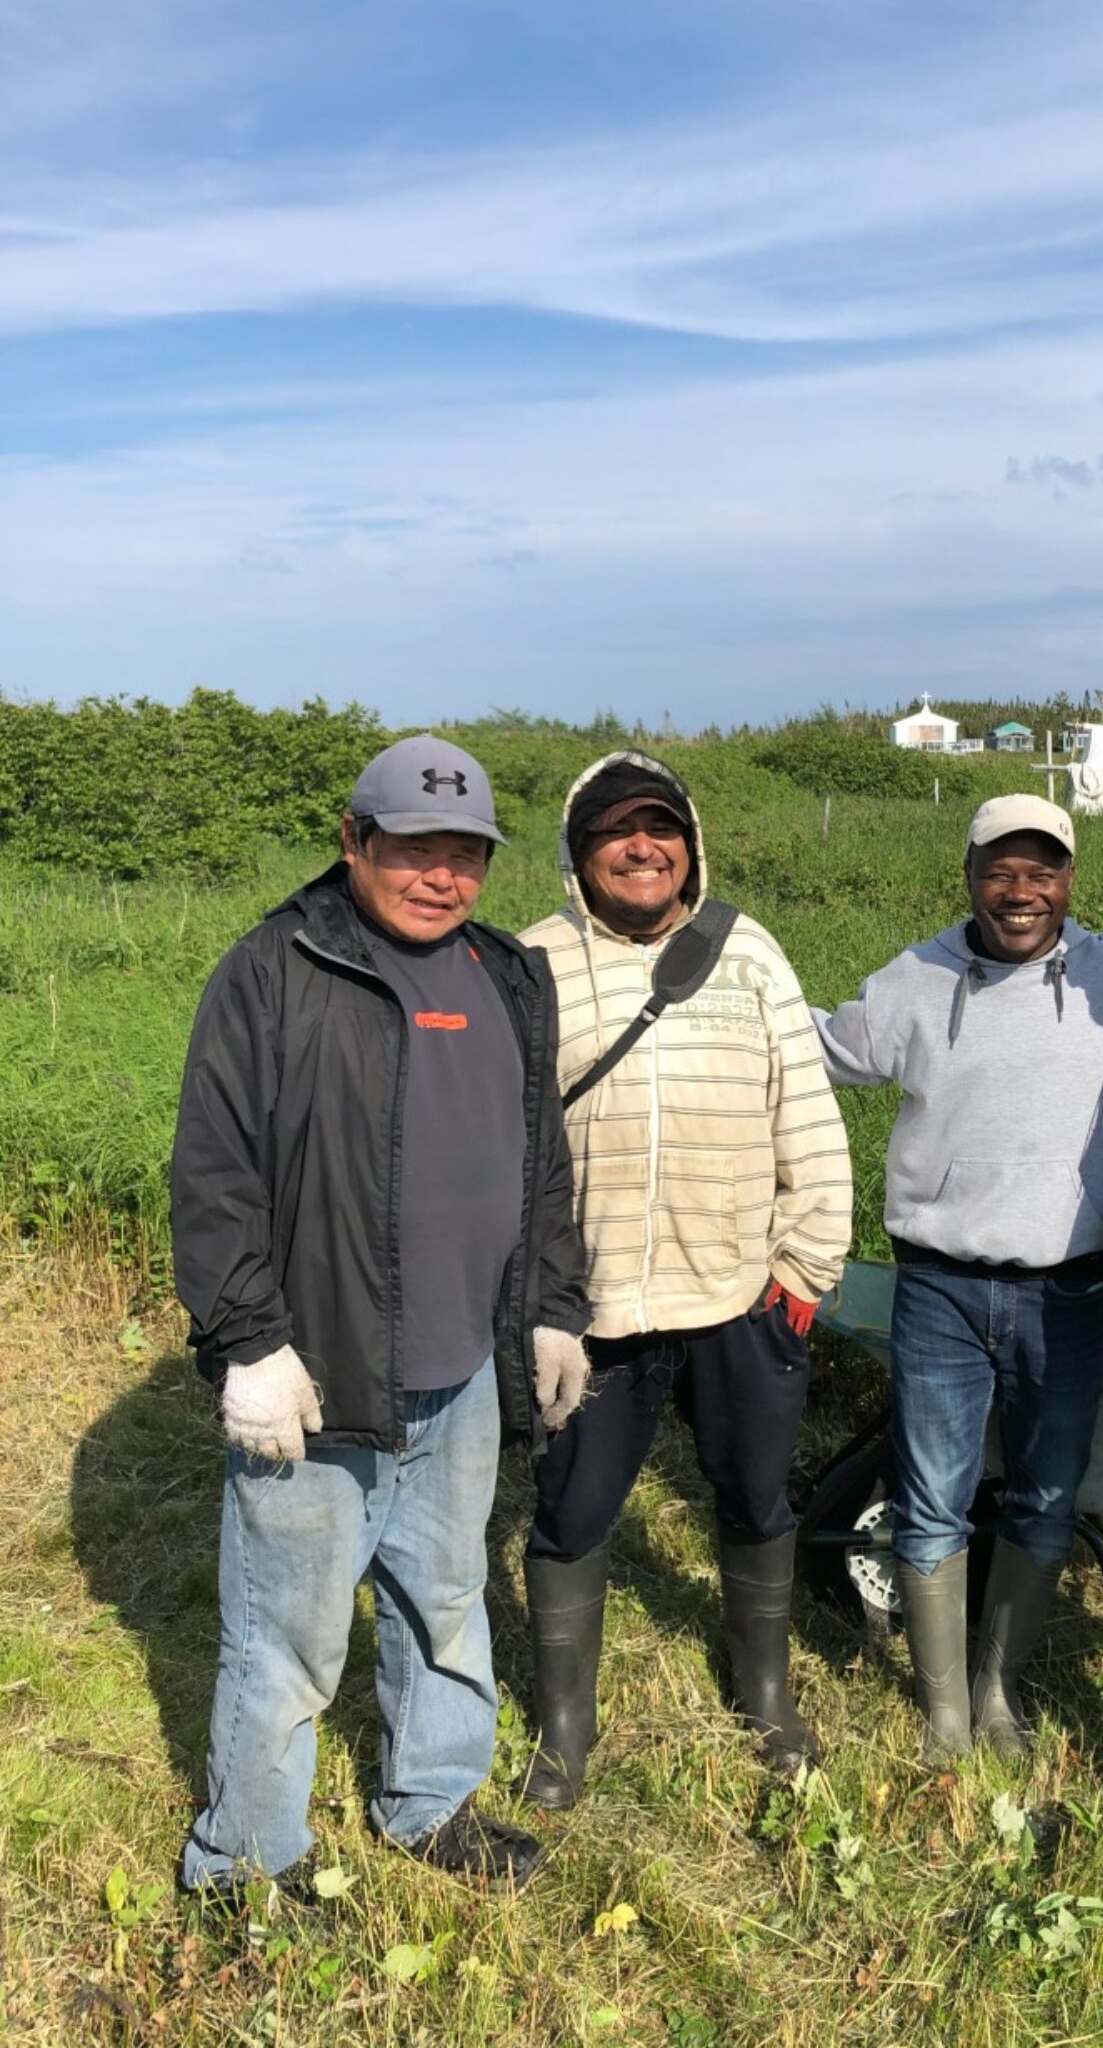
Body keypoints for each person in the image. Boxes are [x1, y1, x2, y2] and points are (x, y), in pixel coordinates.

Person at [171, 734, 590, 1901]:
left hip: (462, 1367)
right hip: (322, 1373)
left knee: (448, 1602)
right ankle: (245, 1863)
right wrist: (247, 1343)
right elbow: (212, 1177)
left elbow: (540, 1162)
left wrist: (554, 1308)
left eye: (464, 854)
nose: (439, 876)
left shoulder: (507, 974)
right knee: (288, 1634)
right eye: (413, 849)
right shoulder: (277, 968)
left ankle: (432, 1802)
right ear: (355, 842)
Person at [517, 752, 851, 1807]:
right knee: (572, 1512)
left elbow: (807, 1114)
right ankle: (567, 1722)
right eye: (615, 829)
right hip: (592, 1308)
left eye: (659, 826)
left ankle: (762, 1690)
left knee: (753, 1496)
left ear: (689, 843)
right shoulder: (531, 965)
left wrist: (803, 1271)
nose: (641, 845)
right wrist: (531, 1298)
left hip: (738, 1294)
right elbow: (497, 1145)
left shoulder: (747, 955)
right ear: (578, 854)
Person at [813, 797, 1103, 1761]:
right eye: (1000, 870)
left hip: (1070, 1290)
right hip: (938, 1291)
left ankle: (998, 1693)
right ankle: (944, 1716)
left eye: (1041, 871)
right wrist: (727, 993)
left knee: (1048, 1497)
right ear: (968, 874)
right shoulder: (914, 979)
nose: (1021, 892)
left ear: (1070, 882)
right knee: (932, 1499)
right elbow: (819, 1048)